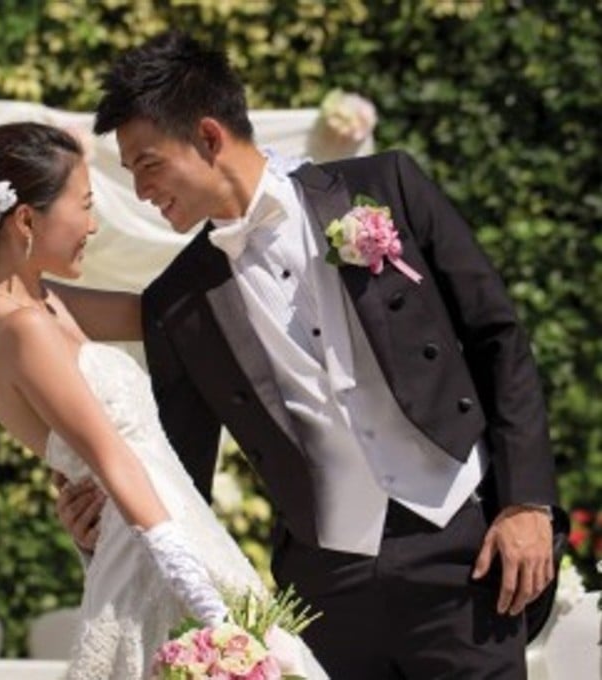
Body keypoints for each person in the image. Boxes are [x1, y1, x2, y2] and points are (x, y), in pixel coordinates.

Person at [55, 31, 566, 678]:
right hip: (326, 586)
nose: (142, 189)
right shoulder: (177, 301)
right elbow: (178, 474)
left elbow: (499, 339)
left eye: (148, 164)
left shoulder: (388, 186)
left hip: (464, 553)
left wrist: (527, 504)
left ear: (209, 137)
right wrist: (106, 535)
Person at [0, 122, 326, 679]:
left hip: (156, 537)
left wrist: (254, 238)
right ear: (25, 220)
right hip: (163, 555)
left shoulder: (36, 305)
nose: (93, 224)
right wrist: (209, 608)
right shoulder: (21, 327)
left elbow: (163, 317)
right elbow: (114, 460)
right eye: (85, 205)